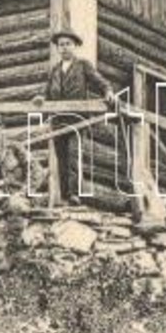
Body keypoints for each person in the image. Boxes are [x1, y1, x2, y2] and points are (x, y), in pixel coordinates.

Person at [33, 29, 116, 205]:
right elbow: (47, 93)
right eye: (61, 45)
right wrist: (41, 99)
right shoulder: (54, 70)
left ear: (75, 46)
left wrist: (108, 92)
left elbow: (100, 82)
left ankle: (74, 195)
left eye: (68, 44)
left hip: (77, 120)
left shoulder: (83, 65)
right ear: (57, 48)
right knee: (61, 158)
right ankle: (64, 196)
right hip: (58, 121)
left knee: (73, 157)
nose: (64, 48)